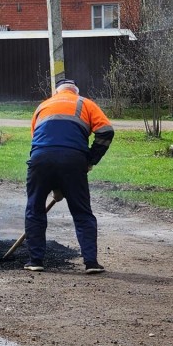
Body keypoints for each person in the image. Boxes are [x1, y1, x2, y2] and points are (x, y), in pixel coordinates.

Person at [23, 78, 114, 274]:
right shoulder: (85, 103)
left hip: (40, 159)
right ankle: (91, 263)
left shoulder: (43, 106)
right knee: (82, 212)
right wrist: (91, 159)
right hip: (73, 160)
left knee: (34, 209)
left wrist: (55, 184)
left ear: (57, 93)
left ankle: (35, 261)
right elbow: (106, 131)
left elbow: (40, 142)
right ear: (75, 92)